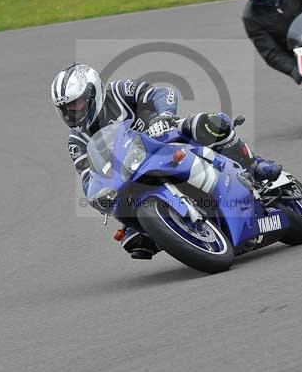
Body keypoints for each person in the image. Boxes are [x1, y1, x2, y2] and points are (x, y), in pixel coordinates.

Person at [51, 62, 281, 259]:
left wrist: (163, 116)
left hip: (163, 139)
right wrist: (95, 197)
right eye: (65, 108)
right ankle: (169, 228)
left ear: (93, 93)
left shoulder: (119, 91)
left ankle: (254, 165)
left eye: (76, 103)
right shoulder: (77, 141)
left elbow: (162, 93)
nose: (72, 112)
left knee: (210, 123)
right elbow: (88, 177)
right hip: (131, 176)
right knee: (131, 235)